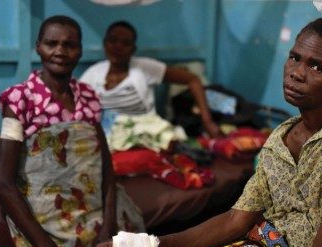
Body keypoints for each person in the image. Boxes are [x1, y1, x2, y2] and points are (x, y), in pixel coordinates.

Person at [90, 16, 322, 247]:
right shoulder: (280, 139)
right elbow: (236, 219)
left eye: (316, 66)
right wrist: (149, 246)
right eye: (295, 57)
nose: (296, 72)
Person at [0, 15, 143, 247]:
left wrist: (108, 226)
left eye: (69, 45)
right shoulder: (19, 100)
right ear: (38, 47)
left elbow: (105, 166)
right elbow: (3, 184)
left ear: (80, 51)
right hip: (46, 219)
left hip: (93, 209)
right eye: (52, 43)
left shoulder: (88, 97)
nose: (60, 51)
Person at [79, 20, 222, 153]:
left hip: (145, 133)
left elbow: (193, 80)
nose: (118, 46)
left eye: (125, 43)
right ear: (105, 43)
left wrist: (208, 122)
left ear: (133, 49)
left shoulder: (145, 68)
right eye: (113, 40)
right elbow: (76, 106)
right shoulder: (93, 74)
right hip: (107, 137)